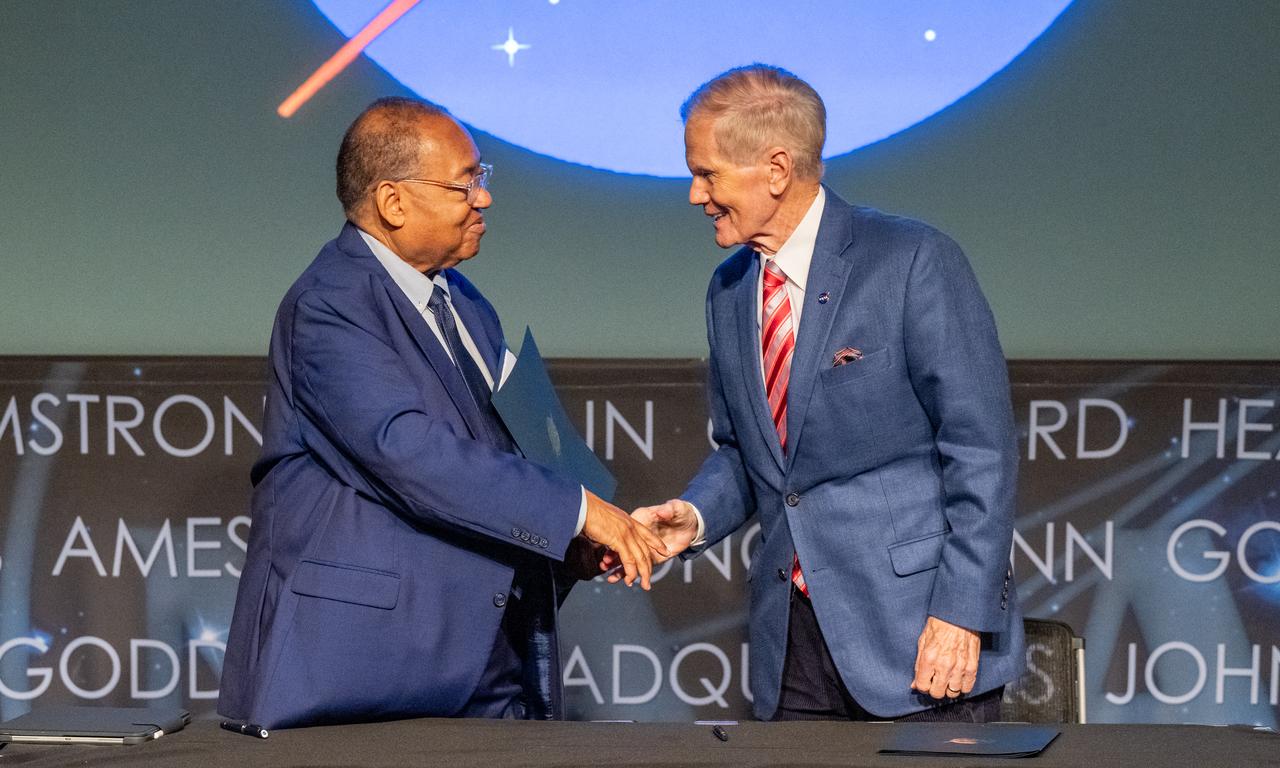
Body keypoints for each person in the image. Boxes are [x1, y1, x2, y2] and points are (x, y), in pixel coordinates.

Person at [219, 97, 664, 729]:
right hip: (373, 675)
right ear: (393, 202)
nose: (483, 199)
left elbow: (509, 452)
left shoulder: (467, 305)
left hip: (492, 663)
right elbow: (406, 451)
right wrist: (581, 511)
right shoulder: (330, 303)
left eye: (483, 179)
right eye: (465, 183)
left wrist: (573, 543)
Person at [631, 65, 1025, 721]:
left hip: (918, 634)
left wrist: (960, 613)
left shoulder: (912, 260)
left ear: (776, 168)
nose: (695, 194)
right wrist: (694, 518)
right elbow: (743, 453)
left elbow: (981, 449)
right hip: (792, 644)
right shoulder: (728, 290)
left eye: (708, 174)